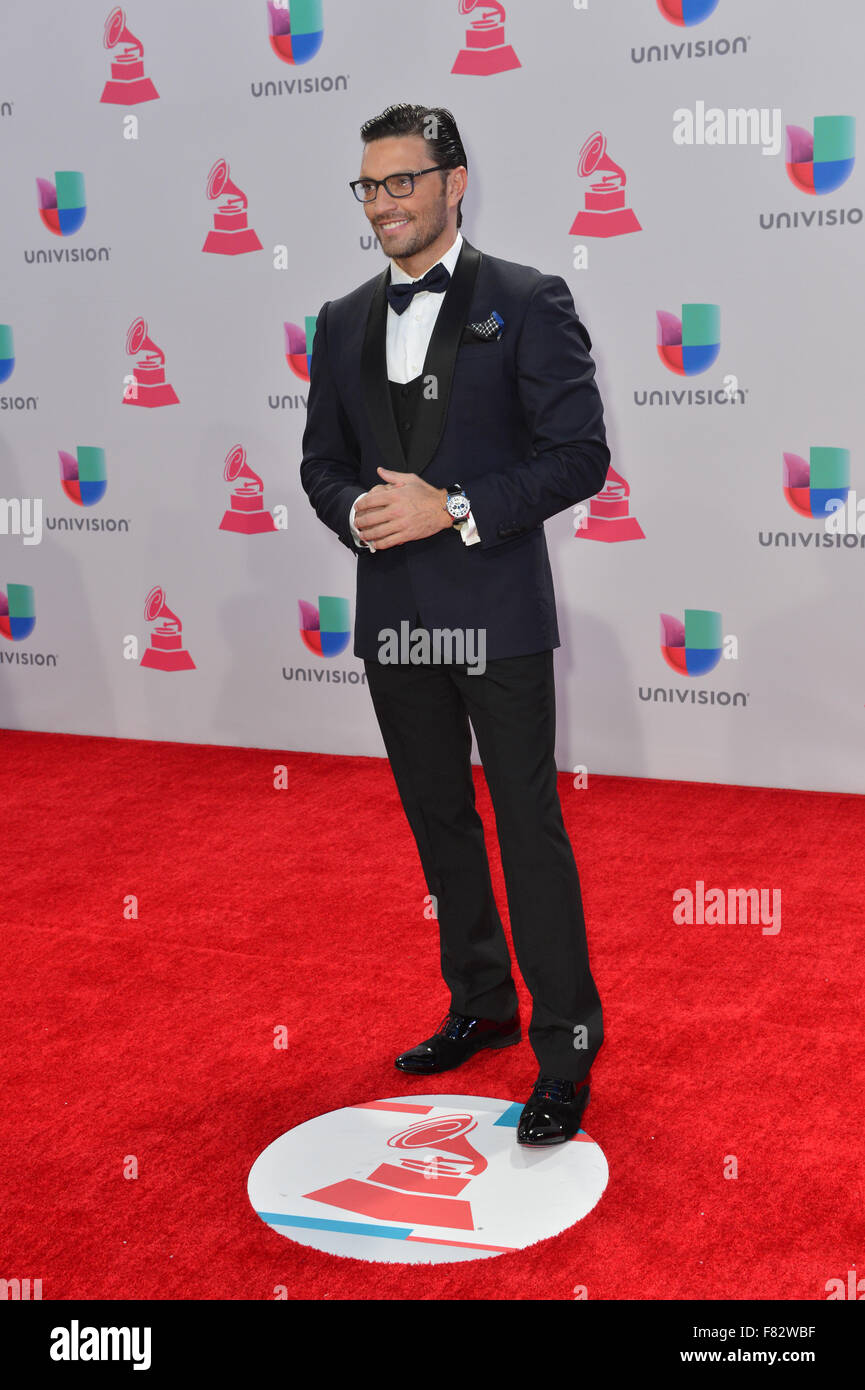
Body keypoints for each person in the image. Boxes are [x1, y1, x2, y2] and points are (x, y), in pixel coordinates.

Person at [300, 103, 609, 1145]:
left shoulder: (526, 299)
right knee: (440, 823)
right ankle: (481, 1002)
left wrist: (457, 506)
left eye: (402, 181)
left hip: (498, 615)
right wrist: (353, 511)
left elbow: (579, 457)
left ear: (453, 181)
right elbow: (320, 464)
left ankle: (565, 1045)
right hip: (395, 616)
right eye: (370, 186)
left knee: (528, 828)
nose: (384, 202)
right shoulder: (341, 319)